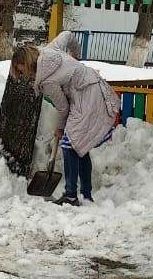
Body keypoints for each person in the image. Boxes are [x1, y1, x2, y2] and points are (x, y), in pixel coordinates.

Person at [10, 40, 119, 205]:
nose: (24, 75)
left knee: (69, 145)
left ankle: (71, 195)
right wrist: (75, 54)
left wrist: (60, 128)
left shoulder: (46, 81)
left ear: (27, 63)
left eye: (22, 70)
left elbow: (63, 107)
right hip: (94, 87)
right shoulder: (50, 50)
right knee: (79, 146)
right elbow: (67, 35)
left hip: (87, 98)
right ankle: (86, 195)